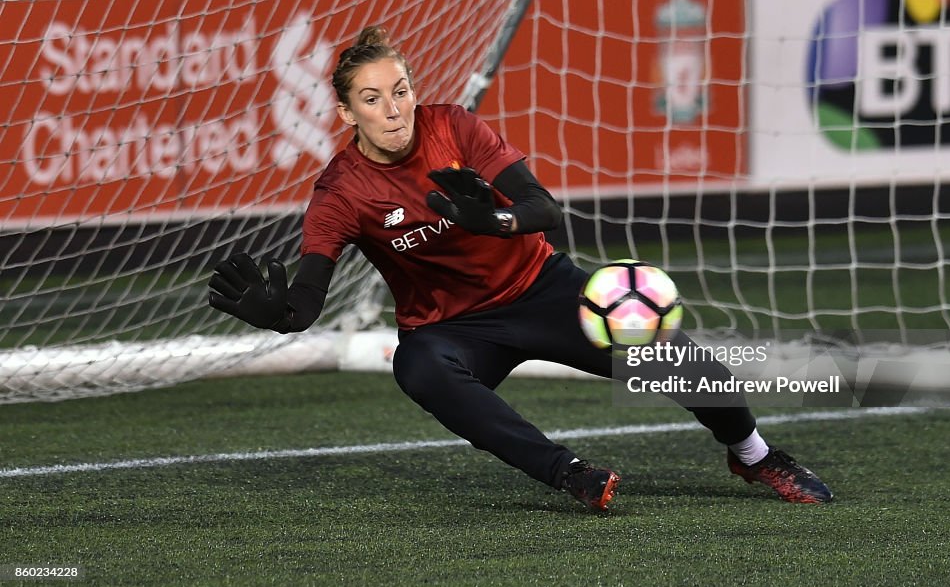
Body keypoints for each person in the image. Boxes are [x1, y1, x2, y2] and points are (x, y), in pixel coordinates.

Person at [208, 25, 833, 511]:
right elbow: (308, 299)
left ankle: (754, 456)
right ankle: (570, 474)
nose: (393, 109)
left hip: (542, 287)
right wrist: (280, 317)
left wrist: (495, 222)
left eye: (399, 92)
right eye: (372, 100)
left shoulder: (453, 126)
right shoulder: (340, 192)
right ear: (347, 115)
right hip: (452, 328)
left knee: (680, 358)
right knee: (416, 368)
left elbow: (543, 209)